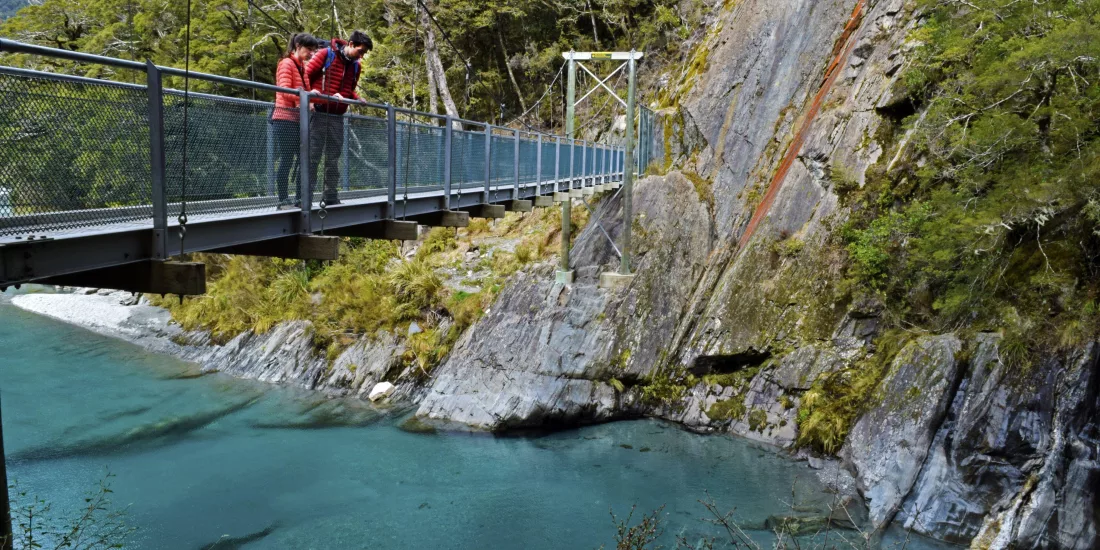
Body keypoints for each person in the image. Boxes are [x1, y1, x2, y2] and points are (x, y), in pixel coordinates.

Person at [304, 30, 373, 205]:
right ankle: (305, 198)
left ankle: (330, 196)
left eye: (364, 53)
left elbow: (349, 89)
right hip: (318, 112)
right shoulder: (326, 54)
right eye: (360, 51)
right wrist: (310, 99)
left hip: (337, 116)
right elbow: (305, 75)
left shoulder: (355, 66)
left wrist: (357, 98)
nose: (361, 56)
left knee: (333, 158)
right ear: (350, 44)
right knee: (312, 156)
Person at [271, 33, 322, 210]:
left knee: (303, 159)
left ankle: (300, 199)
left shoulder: (301, 67)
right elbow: (284, 91)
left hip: (297, 119)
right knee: (287, 159)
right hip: (284, 118)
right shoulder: (286, 63)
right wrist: (304, 97)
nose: (311, 54)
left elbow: (305, 93)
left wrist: (317, 99)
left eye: (314, 51)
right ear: (298, 46)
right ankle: (283, 200)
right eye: (309, 50)